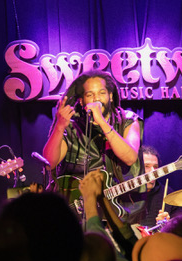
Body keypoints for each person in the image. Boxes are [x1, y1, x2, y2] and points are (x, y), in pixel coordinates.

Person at [41, 71, 142, 204]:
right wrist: (59, 126)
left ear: (110, 96)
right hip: (75, 204)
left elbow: (130, 158)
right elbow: (49, 164)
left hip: (116, 204)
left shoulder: (128, 120)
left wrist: (102, 122)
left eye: (102, 93)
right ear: (82, 101)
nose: (97, 99)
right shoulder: (72, 124)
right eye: (90, 95)